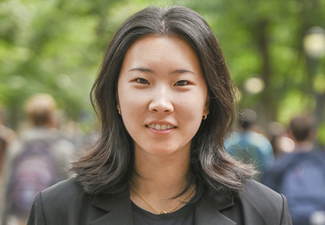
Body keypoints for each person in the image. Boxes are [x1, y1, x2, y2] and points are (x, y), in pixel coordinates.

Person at [27, 6, 292, 225]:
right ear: (115, 96)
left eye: (181, 83)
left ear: (208, 101)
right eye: (142, 80)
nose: (161, 103)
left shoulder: (265, 212)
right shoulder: (56, 211)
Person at [1, 94, 76, 225]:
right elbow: (72, 188)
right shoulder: (63, 148)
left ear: (30, 117)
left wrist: (3, 219)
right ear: (51, 117)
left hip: (20, 216)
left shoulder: (17, 146)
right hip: (52, 216)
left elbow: (7, 186)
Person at [262, 115, 325, 225]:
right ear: (313, 133)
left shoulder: (277, 165)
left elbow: (266, 200)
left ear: (290, 134)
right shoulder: (321, 162)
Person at [226, 109, 274, 180]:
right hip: (258, 183)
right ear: (253, 125)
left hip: (235, 181)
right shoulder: (262, 141)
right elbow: (268, 165)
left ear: (239, 124)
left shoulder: (230, 141)